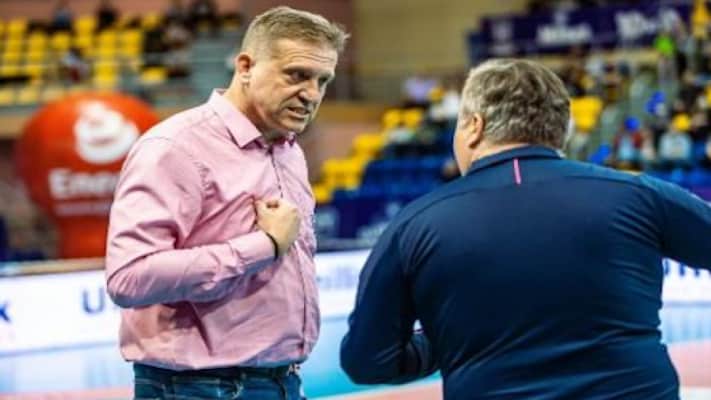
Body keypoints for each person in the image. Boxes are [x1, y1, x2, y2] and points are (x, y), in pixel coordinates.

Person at [340, 59, 711, 399]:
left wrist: (447, 342)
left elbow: (368, 362)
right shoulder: (639, 195)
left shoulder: (415, 225)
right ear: (561, 130)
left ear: (474, 127)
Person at [105, 6, 347, 399]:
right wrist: (264, 246)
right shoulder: (175, 147)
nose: (312, 94)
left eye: (323, 81)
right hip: (197, 388)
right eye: (296, 75)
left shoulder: (289, 150)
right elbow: (128, 278)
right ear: (246, 66)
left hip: (281, 381)